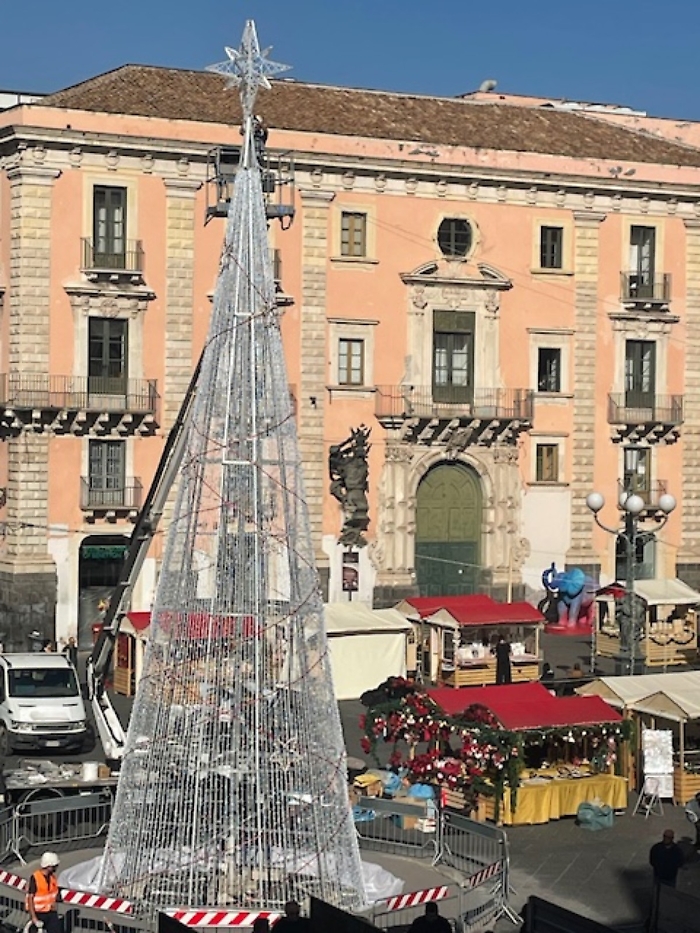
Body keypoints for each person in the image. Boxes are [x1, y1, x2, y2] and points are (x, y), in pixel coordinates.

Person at [26, 852, 62, 933]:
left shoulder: (52, 877)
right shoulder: (35, 877)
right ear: (49, 866)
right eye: (55, 866)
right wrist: (34, 918)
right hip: (38, 913)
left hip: (51, 912)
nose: (56, 867)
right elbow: (30, 898)